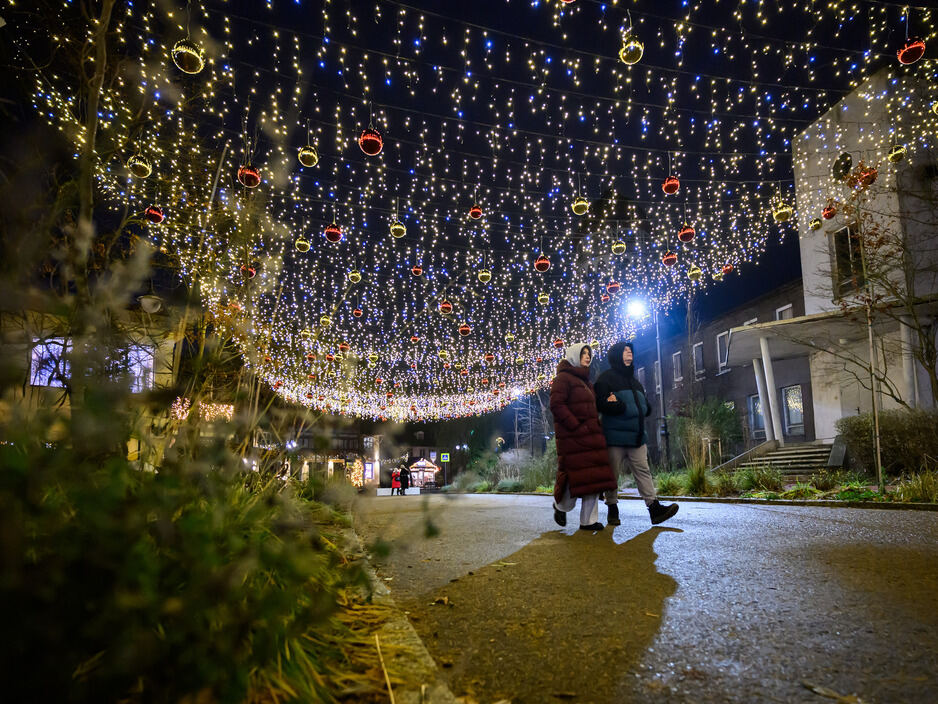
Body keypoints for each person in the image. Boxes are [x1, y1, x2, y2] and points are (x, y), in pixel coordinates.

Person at [594, 340, 679, 526]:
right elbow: (600, 403)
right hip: (614, 437)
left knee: (643, 471)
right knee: (612, 474)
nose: (629, 353)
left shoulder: (635, 381)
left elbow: (643, 405)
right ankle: (612, 508)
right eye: (625, 351)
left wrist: (645, 408)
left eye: (630, 350)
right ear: (617, 354)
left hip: (637, 436)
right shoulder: (605, 379)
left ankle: (654, 508)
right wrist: (618, 405)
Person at [550, 342, 618, 531]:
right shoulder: (563, 379)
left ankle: (588, 521)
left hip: (591, 437)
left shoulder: (587, 382)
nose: (587, 356)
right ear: (573, 355)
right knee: (574, 479)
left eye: (589, 353)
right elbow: (557, 405)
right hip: (573, 438)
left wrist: (606, 402)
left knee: (594, 479)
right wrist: (576, 426)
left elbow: (592, 407)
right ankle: (559, 506)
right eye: (583, 353)